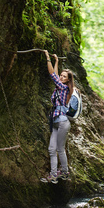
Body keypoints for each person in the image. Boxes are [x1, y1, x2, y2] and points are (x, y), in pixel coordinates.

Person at [40, 50, 74, 184]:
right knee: (51, 149)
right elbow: (55, 75)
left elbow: (52, 75)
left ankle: (65, 172)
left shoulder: (64, 89)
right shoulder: (58, 88)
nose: (61, 77)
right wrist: (56, 61)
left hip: (63, 122)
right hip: (55, 122)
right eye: (61, 75)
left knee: (60, 149)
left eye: (64, 77)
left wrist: (47, 57)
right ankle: (53, 175)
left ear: (68, 81)